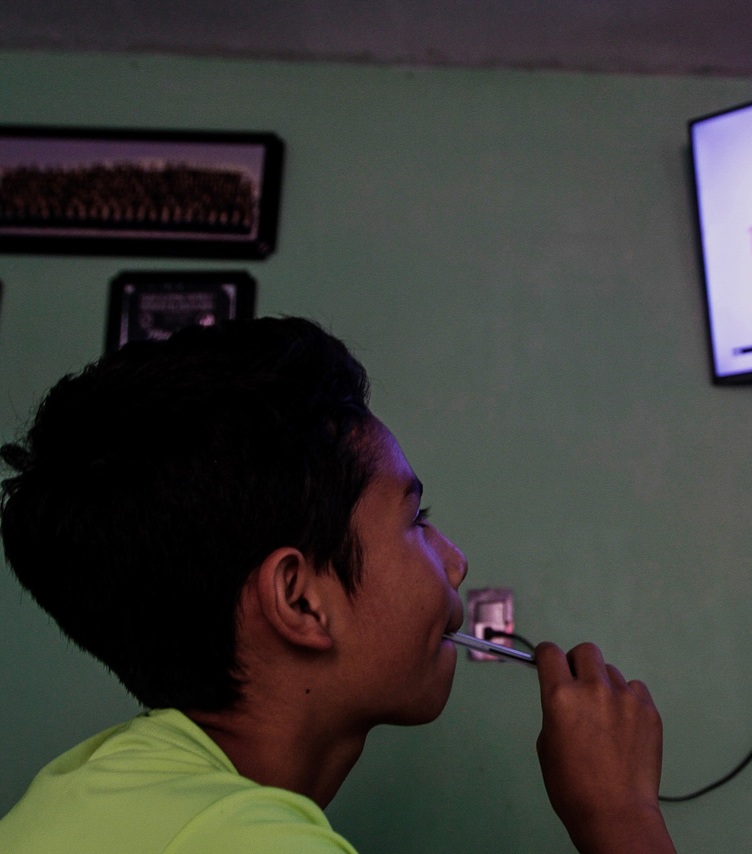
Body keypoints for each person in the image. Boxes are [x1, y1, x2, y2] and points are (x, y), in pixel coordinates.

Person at [0, 316, 675, 854]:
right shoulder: (243, 844)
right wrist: (621, 815)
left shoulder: (104, 785)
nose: (455, 561)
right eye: (416, 521)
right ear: (300, 599)